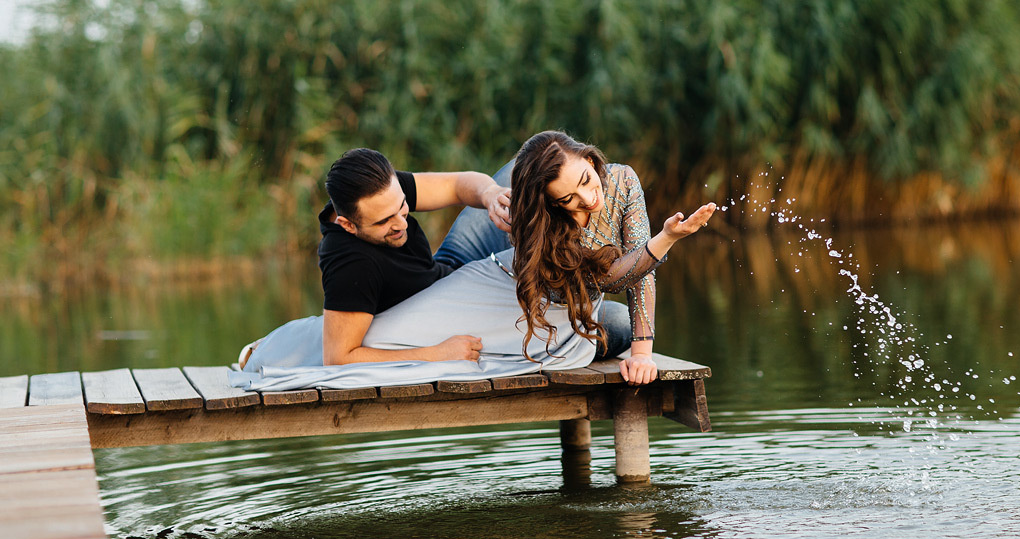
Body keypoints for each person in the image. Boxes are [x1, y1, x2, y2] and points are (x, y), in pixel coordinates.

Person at [231, 135, 712, 392]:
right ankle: (544, 250)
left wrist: (489, 196)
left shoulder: (384, 193)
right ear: (349, 224)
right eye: (387, 222)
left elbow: (461, 184)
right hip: (432, 301)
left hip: (448, 266)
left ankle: (533, 222)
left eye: (404, 207)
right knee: (615, 325)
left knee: (522, 170)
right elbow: (340, 357)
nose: (402, 221)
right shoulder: (346, 261)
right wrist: (438, 351)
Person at [509, 131, 716, 385]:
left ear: (590, 161)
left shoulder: (623, 180)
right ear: (553, 203)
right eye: (567, 199)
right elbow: (607, 281)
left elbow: (640, 269)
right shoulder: (546, 223)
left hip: (583, 313)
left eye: (585, 180)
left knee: (620, 325)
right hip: (537, 312)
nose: (587, 199)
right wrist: (666, 238)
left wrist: (641, 354)